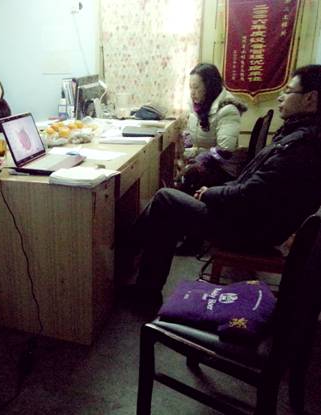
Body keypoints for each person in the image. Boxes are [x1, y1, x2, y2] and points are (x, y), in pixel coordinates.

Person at [126, 64, 321, 311]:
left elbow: (250, 193)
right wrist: (217, 191)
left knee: (165, 200)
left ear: (310, 99)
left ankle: (139, 277)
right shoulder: (301, 136)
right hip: (256, 220)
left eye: (288, 91)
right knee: (163, 203)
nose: (281, 97)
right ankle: (133, 255)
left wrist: (211, 193)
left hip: (250, 229)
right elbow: (253, 184)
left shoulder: (299, 147)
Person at [177, 63, 248, 194]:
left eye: (196, 87)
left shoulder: (228, 110)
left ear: (209, 87)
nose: (192, 93)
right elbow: (190, 134)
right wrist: (184, 153)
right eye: (190, 88)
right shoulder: (198, 106)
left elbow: (225, 151)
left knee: (185, 180)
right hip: (204, 162)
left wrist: (195, 161)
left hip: (223, 169)